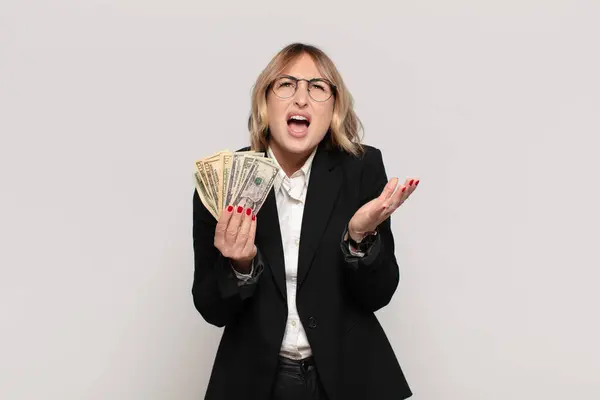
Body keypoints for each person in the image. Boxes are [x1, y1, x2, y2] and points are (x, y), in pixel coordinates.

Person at [192, 42, 419, 400]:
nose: (301, 98)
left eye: (317, 87)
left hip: (349, 377)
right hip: (256, 382)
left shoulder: (361, 168)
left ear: (333, 109)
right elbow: (210, 308)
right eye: (286, 84)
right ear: (265, 102)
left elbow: (379, 294)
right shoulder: (225, 181)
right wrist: (240, 265)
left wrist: (359, 238)